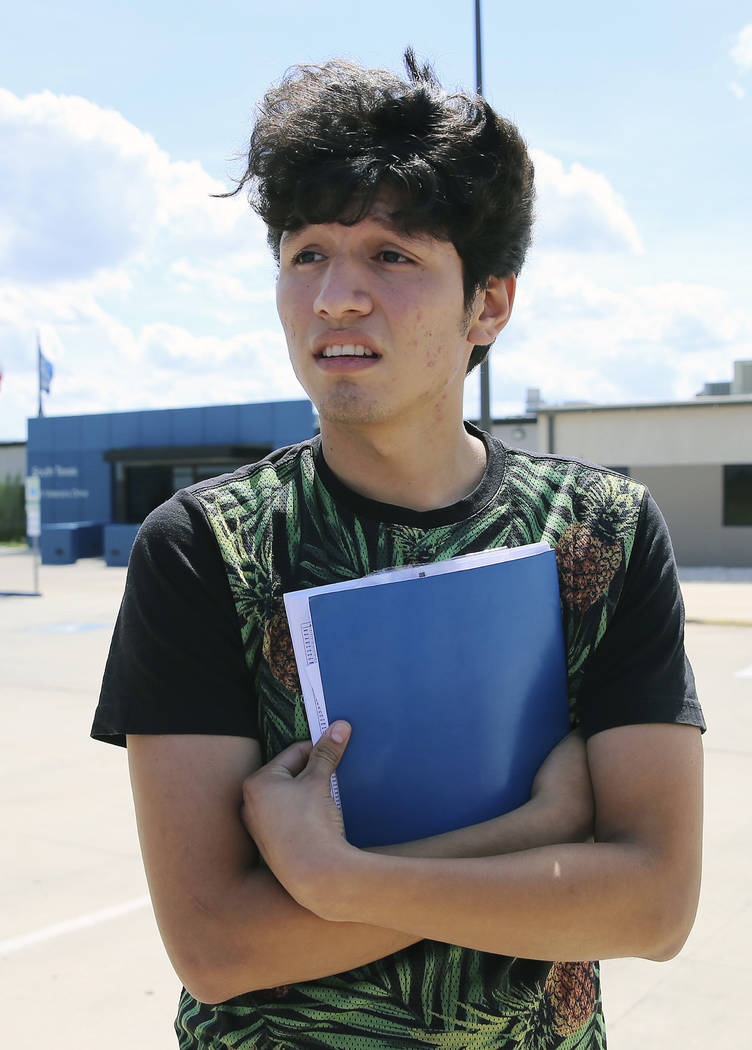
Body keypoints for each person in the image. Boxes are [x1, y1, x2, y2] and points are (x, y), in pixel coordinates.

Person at [92, 51, 705, 1049]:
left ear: (488, 305)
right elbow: (218, 944)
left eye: (391, 255)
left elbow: (650, 905)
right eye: (305, 253)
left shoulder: (599, 531)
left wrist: (337, 882)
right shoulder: (207, 549)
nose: (335, 295)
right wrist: (537, 831)